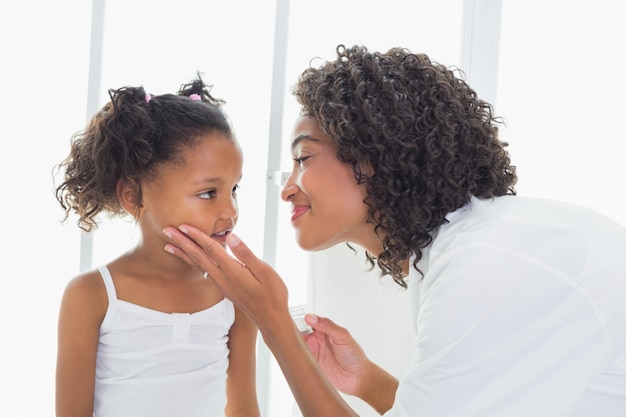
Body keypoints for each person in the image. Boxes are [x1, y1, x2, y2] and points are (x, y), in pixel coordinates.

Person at [162, 45, 626, 417]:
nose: (287, 190)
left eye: (303, 158)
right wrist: (368, 381)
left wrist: (273, 320)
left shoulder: (485, 268)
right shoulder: (461, 252)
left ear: (374, 157)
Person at [53, 74, 260, 417]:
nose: (230, 211)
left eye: (234, 189)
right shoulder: (91, 295)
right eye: (209, 193)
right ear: (133, 196)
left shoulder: (235, 293)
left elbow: (244, 409)